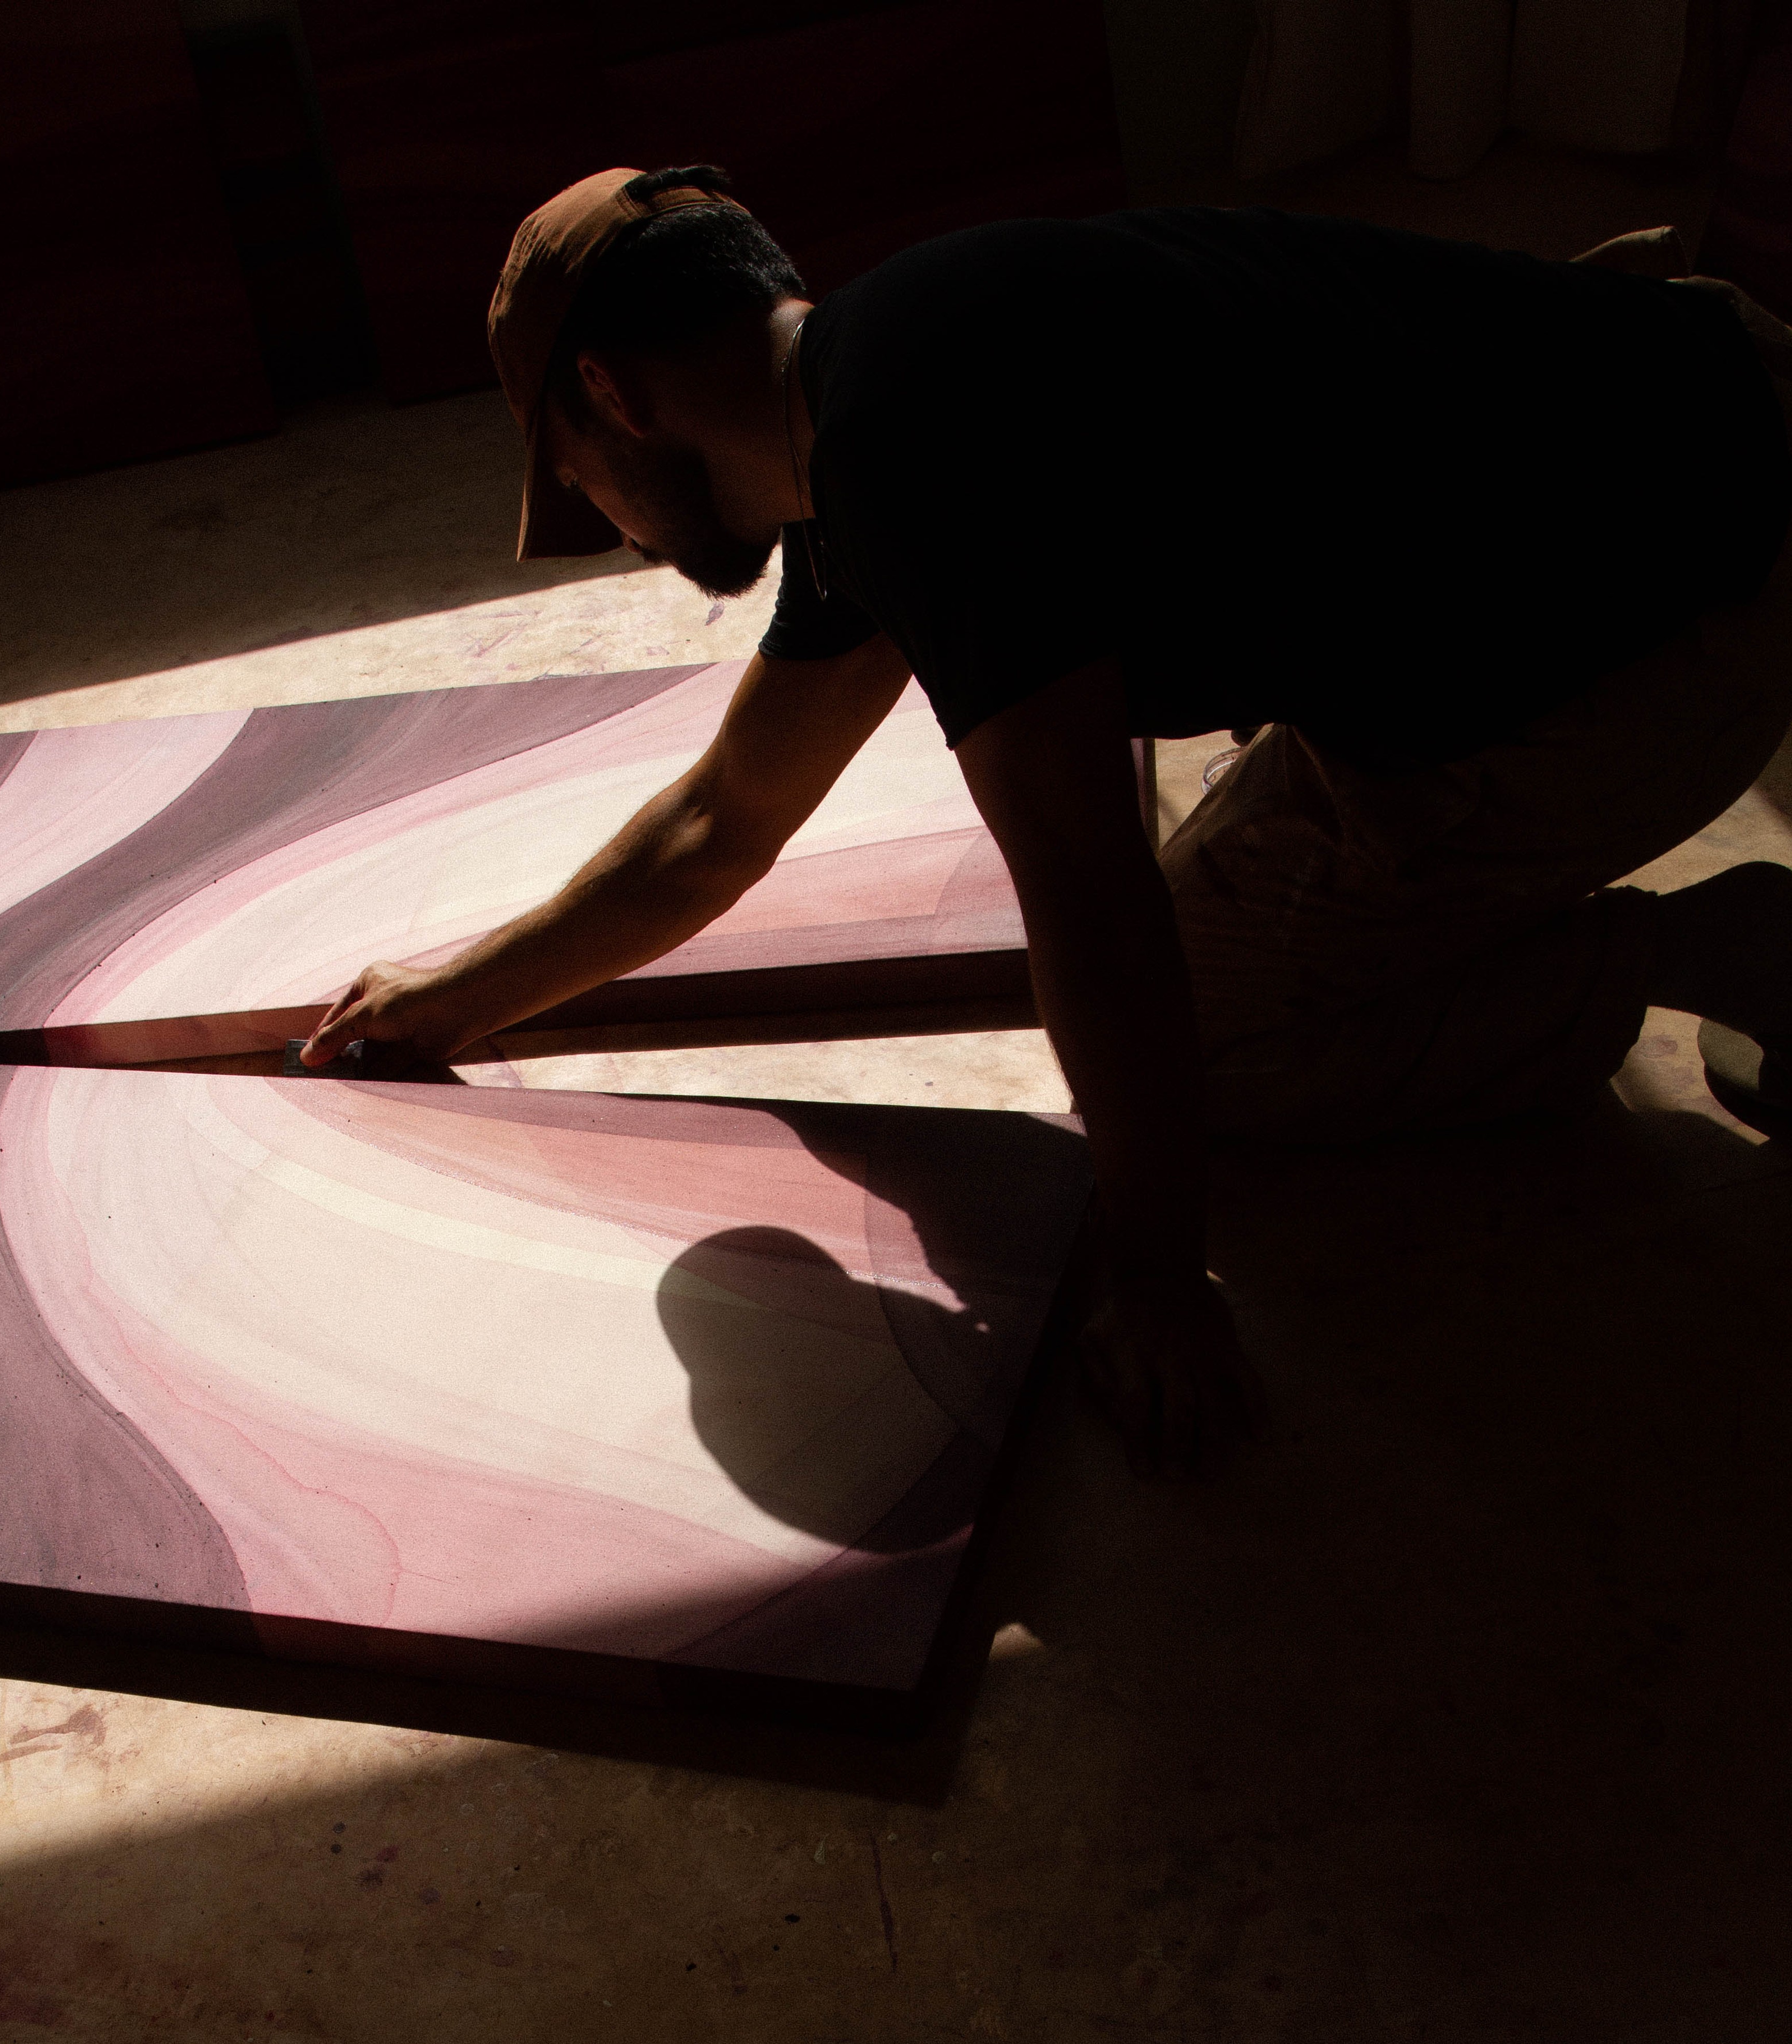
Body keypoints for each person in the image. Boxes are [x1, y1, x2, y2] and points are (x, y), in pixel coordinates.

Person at [300, 165, 1792, 1479]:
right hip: (1702, 394)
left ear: (614, 400)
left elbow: (1091, 895)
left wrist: (1160, 1281)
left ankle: (1717, 945)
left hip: (1689, 611)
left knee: (1208, 1052)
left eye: (571, 475)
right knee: (1215, 916)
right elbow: (724, 819)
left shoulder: (912, 461)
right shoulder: (885, 376)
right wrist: (463, 991)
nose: (605, 521)